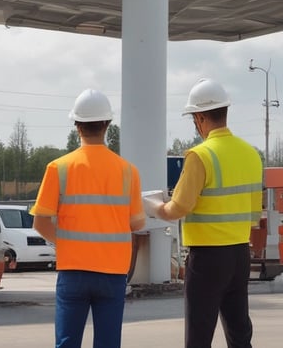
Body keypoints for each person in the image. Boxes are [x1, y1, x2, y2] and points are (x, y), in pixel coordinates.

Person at [145, 78, 262, 348]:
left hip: (208, 257)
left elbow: (179, 208)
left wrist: (155, 207)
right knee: (240, 332)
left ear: (199, 118)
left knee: (199, 334)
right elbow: (254, 211)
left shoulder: (200, 155)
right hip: (239, 255)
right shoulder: (251, 154)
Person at [30, 88, 146, 348]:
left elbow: (40, 222)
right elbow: (138, 223)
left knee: (67, 342)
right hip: (113, 272)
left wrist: (66, 243)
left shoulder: (58, 168)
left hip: (73, 271)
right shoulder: (128, 171)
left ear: (76, 125)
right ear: (107, 124)